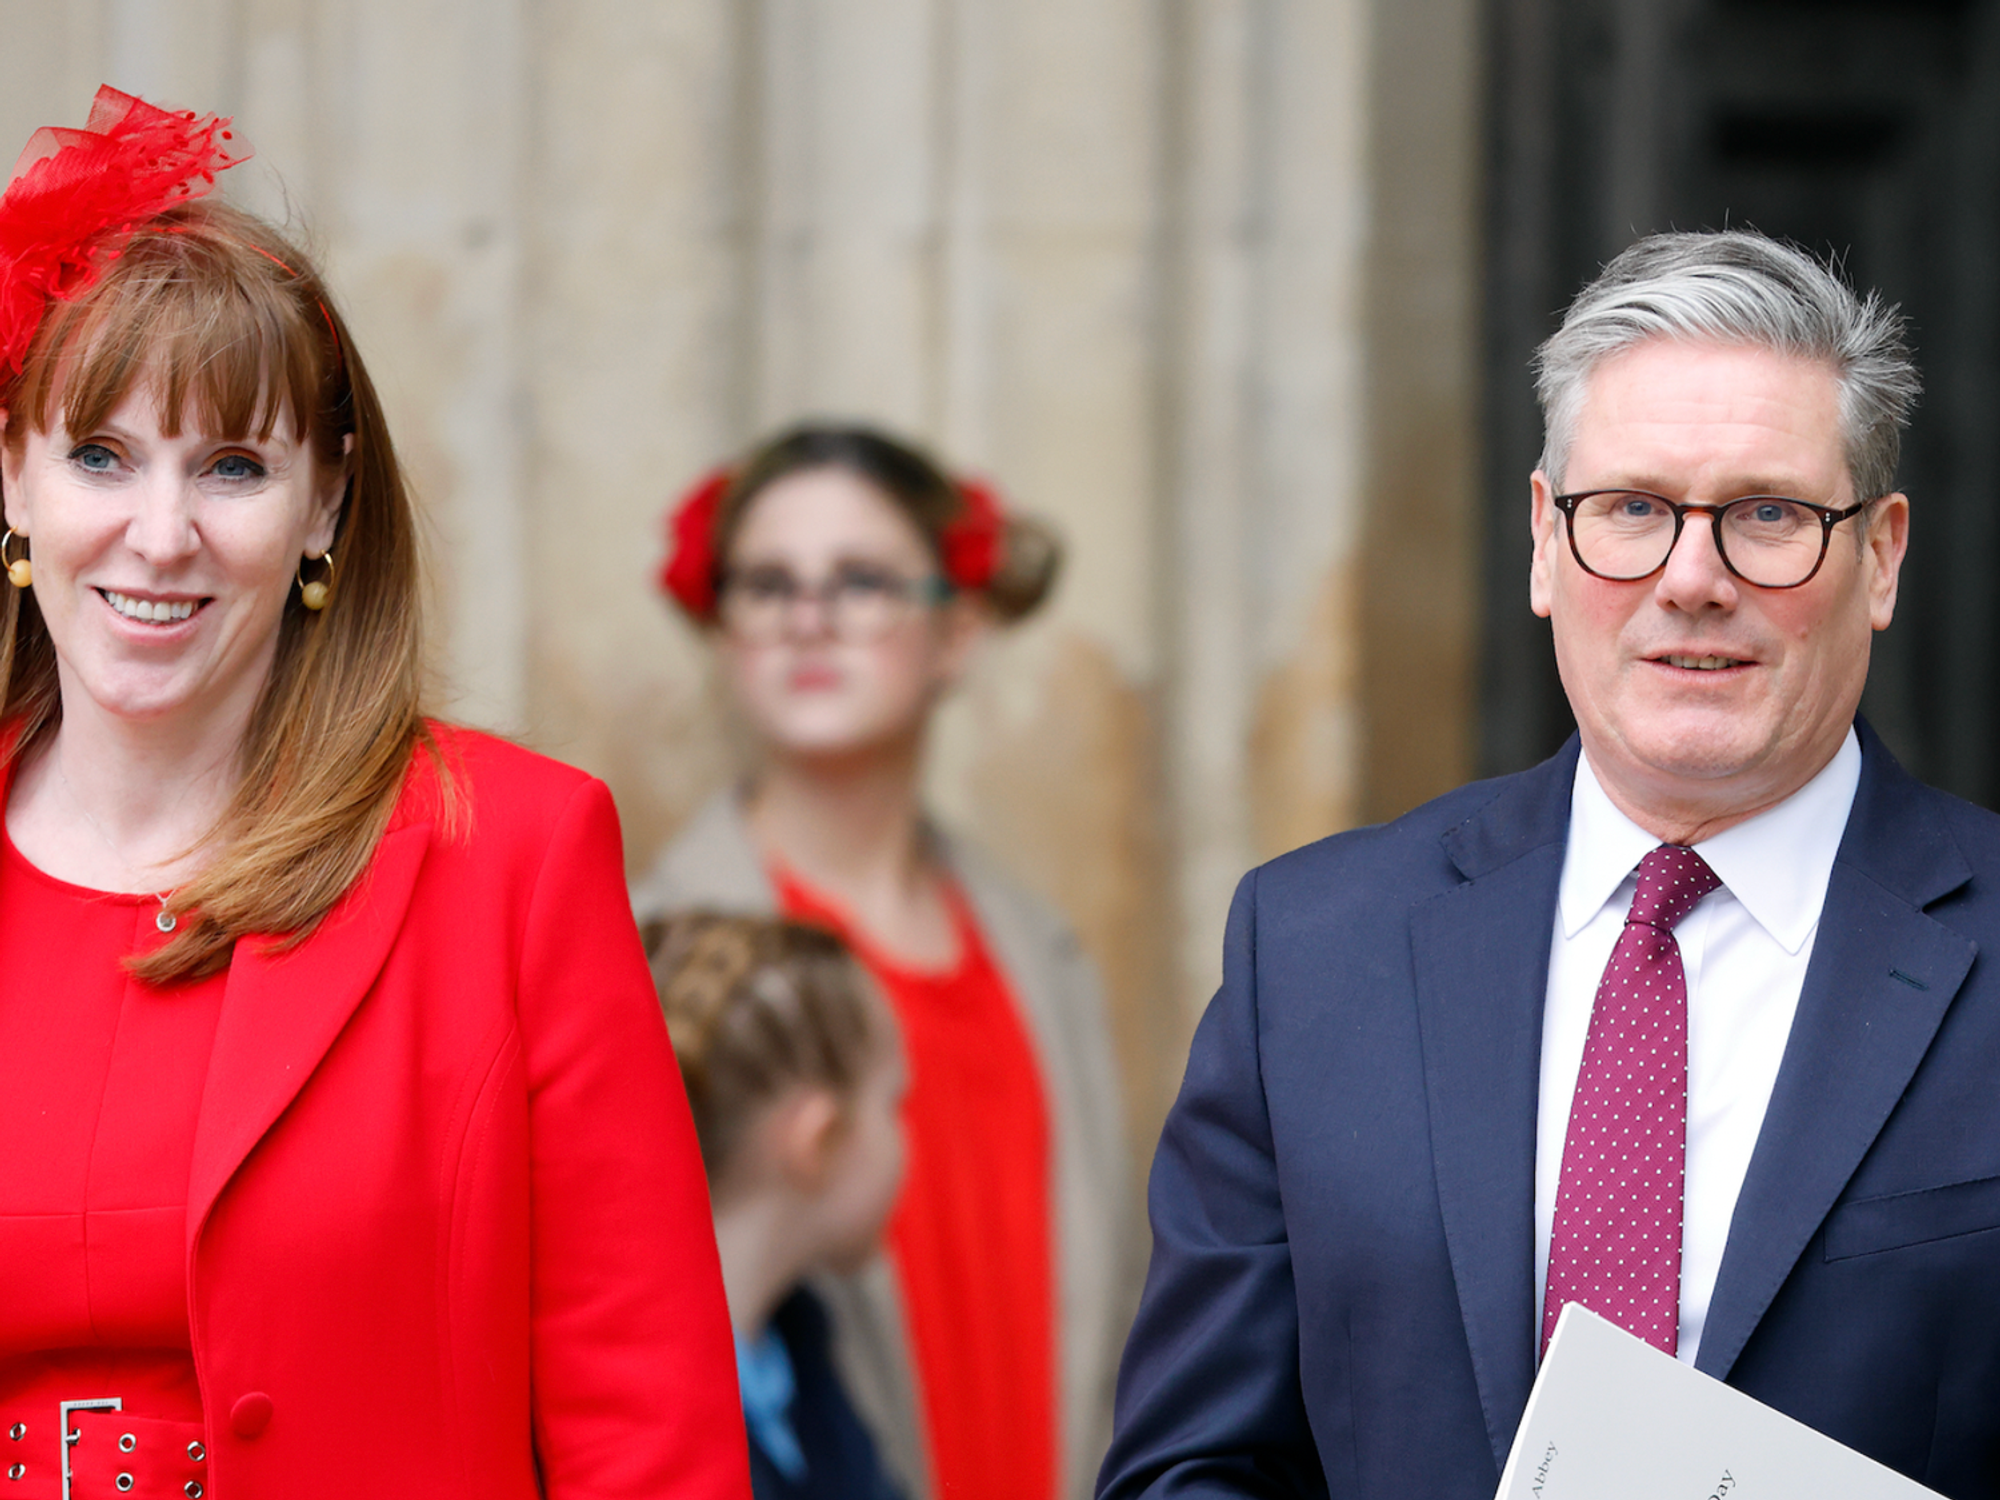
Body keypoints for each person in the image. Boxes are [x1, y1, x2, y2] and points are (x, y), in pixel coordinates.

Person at [1100, 229, 2000, 1499]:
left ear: (1881, 555)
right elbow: (1193, 1470)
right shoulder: (1309, 951)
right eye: (1629, 509)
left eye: (1767, 515)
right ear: (1542, 539)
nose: (1690, 577)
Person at [0, 88, 747, 1500]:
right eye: (101, 454)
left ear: (329, 503)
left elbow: (647, 1432)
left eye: (234, 466)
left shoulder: (511, 854)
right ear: (12, 476)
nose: (160, 536)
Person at [633, 423, 1137, 1500]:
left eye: (860, 581)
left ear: (953, 633)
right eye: (768, 584)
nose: (808, 618)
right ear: (722, 630)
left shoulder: (1038, 949)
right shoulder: (657, 951)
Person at [651, 912, 910, 1500]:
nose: (905, 1138)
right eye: (894, 1102)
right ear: (818, 1139)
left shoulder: (798, 1348)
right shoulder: (660, 1421)